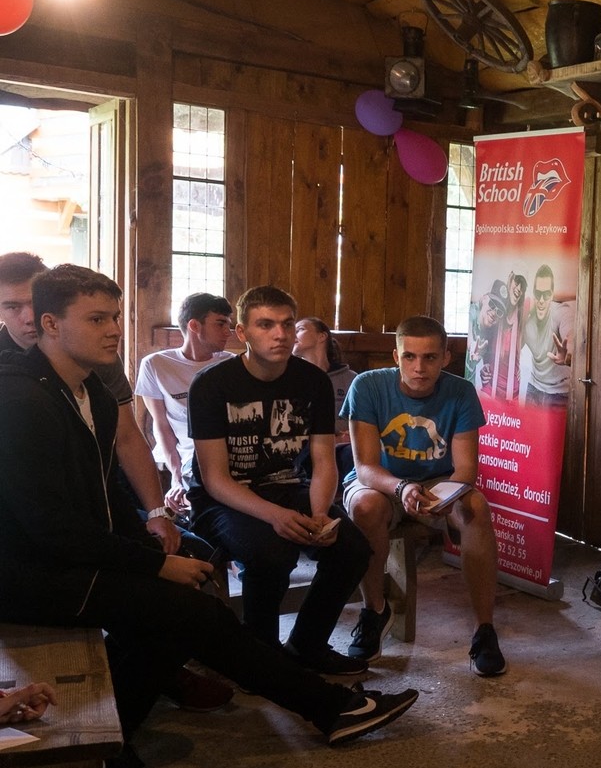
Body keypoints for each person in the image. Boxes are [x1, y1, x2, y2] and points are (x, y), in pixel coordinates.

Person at [0, 266, 418, 768]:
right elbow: (47, 528)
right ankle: (331, 707)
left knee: (183, 608)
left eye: (115, 317)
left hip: (68, 560)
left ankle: (109, 746)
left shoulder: (91, 393)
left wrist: (152, 533)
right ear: (51, 324)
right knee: (191, 610)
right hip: (31, 577)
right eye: (97, 319)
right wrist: (155, 563)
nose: (114, 330)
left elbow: (106, 495)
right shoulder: (21, 399)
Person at [3, 254, 231, 714]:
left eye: (31, 302)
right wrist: (149, 563)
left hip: (88, 508)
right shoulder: (16, 385)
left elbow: (124, 440)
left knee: (196, 555)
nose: (26, 316)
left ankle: (158, 666)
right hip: (29, 543)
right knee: (162, 594)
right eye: (12, 307)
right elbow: (46, 521)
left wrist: (157, 514)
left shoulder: (91, 358)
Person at [187, 285, 372, 675]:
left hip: (288, 485)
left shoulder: (313, 381)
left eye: (288, 324)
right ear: (242, 333)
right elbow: (215, 479)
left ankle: (306, 645)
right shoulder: (212, 384)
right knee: (272, 553)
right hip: (222, 500)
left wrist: (320, 513)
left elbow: (323, 460)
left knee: (352, 548)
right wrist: (275, 516)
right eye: (266, 325)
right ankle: (262, 658)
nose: (280, 334)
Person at [340, 315, 506, 676]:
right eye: (410, 357)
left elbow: (466, 469)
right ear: (396, 356)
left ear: (445, 357)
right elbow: (365, 467)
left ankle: (484, 629)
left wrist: (443, 498)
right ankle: (374, 610)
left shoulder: (460, 391)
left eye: (430, 357)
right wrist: (401, 488)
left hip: (437, 482)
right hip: (382, 482)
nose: (419, 367)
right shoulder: (367, 386)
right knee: (365, 506)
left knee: (476, 506)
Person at [134, 292, 234, 513]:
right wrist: (177, 476)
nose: (228, 331)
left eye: (229, 324)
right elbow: (161, 425)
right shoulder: (155, 365)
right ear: (194, 326)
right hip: (190, 458)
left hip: (230, 455)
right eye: (220, 324)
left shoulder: (231, 364)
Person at [292, 316, 358, 440]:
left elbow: (359, 419)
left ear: (322, 336)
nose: (292, 335)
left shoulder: (351, 379)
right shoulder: (291, 378)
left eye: (300, 329)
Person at [520, 264, 574, 403]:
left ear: (552, 295)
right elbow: (515, 346)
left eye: (546, 294)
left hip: (559, 392)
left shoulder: (560, 311)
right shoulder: (528, 319)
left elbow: (570, 331)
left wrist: (569, 352)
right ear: (534, 294)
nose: (542, 300)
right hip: (534, 388)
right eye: (538, 294)